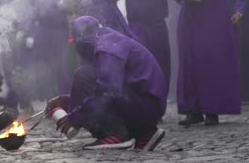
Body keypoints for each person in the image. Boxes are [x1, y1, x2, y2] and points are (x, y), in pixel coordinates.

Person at [46, 16, 166, 150]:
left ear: (81, 37)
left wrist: (75, 117)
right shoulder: (108, 39)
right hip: (147, 105)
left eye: (75, 42)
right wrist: (67, 101)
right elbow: (109, 85)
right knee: (90, 77)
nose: (76, 48)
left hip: (145, 106)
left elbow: (109, 90)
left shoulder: (106, 47)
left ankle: (113, 133)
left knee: (83, 74)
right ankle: (145, 134)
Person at [125, 0, 171, 95]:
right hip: (136, 27)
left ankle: (159, 103)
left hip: (157, 26)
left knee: (161, 64)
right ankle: (140, 103)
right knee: (139, 66)